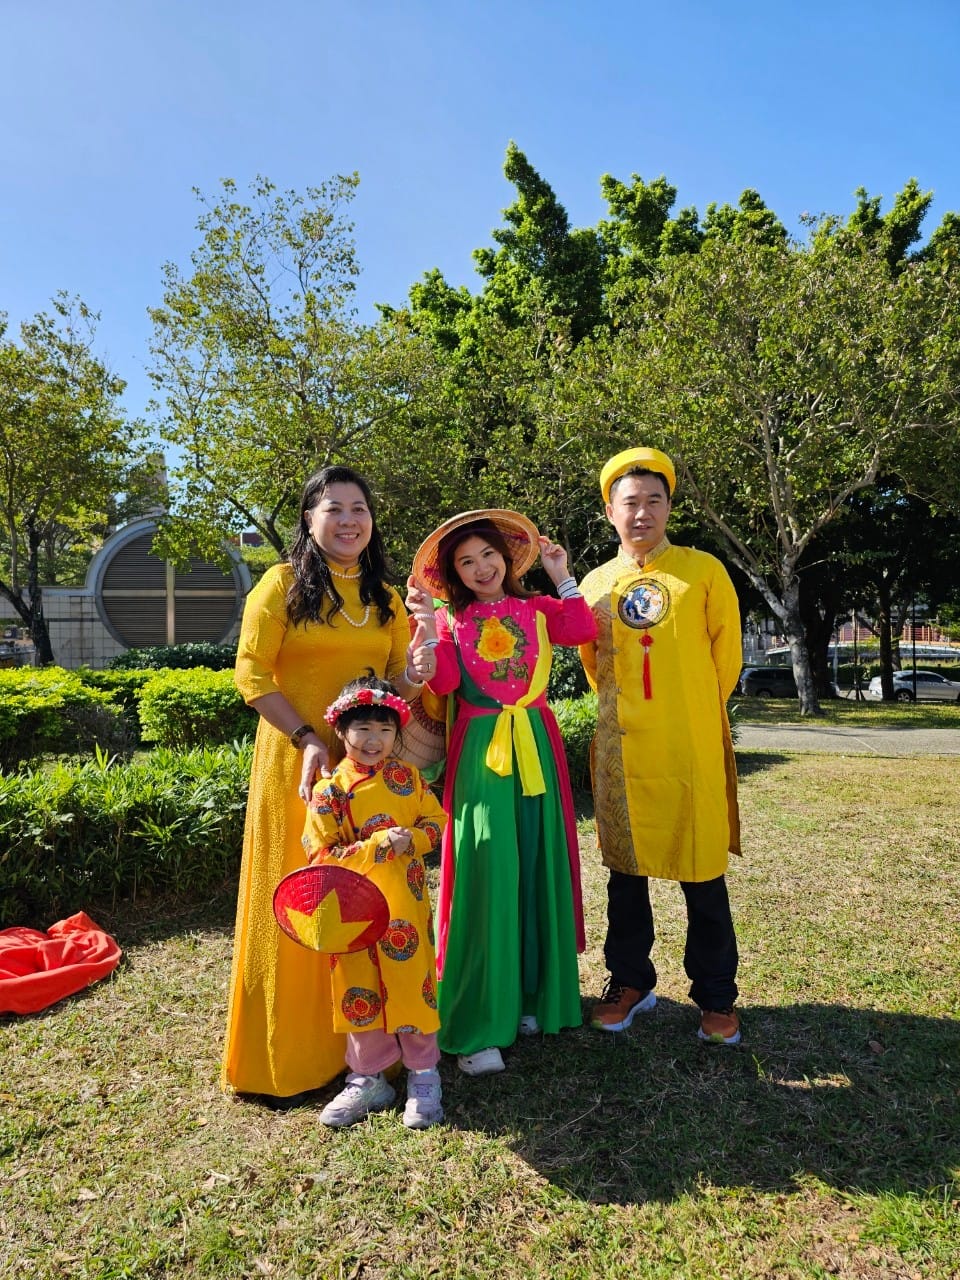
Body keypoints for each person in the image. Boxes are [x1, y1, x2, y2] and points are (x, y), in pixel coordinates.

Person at [223, 465, 436, 1104]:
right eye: (334, 508)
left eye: (359, 508)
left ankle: (374, 1057)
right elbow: (251, 674)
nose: (349, 520)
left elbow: (395, 689)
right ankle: (295, 1058)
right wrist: (306, 737)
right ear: (309, 519)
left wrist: (418, 672)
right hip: (301, 766)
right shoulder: (281, 584)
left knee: (373, 898)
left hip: (371, 776)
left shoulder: (387, 599)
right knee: (303, 893)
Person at [408, 510, 597, 1075]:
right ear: (455, 575)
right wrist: (426, 628)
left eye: (488, 554)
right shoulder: (450, 620)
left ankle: (532, 997)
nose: (481, 567)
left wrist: (561, 575)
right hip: (481, 750)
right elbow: (444, 682)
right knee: (486, 867)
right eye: (466, 562)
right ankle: (479, 1019)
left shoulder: (538, 608)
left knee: (537, 860)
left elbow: (581, 629)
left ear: (506, 557)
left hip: (535, 741)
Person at [579, 447, 744, 1045]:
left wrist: (687, 708)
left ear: (670, 507)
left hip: (688, 745)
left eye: (654, 500)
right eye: (630, 502)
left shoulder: (703, 571)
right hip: (623, 750)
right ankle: (629, 981)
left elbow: (726, 658)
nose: (642, 512)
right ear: (610, 511)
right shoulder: (595, 584)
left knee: (703, 877)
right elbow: (593, 666)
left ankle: (716, 995)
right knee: (625, 876)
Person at [302, 674, 447, 1129]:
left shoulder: (408, 778)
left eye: (385, 729)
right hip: (353, 914)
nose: (374, 740)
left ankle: (424, 1076)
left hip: (406, 908)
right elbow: (320, 856)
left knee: (414, 986)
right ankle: (368, 1078)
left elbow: (437, 823)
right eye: (363, 728)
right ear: (341, 729)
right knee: (358, 991)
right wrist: (379, 845)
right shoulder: (329, 792)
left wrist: (415, 840)